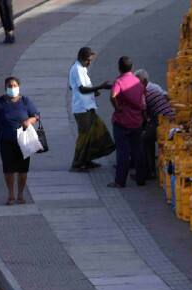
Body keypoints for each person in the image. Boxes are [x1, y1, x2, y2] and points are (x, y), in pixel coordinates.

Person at [0, 76, 39, 205]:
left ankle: (20, 195)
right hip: (6, 141)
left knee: (23, 170)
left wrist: (29, 121)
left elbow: (36, 115)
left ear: (18, 86)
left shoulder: (25, 101)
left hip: (24, 140)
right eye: (9, 86)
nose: (12, 88)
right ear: (5, 88)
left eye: (14, 86)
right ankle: (11, 195)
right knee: (8, 169)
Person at [68, 47, 115, 172]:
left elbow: (73, 87)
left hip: (88, 106)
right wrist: (100, 87)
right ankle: (77, 163)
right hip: (82, 109)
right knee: (84, 136)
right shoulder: (77, 69)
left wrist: (93, 92)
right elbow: (81, 89)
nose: (89, 63)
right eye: (88, 60)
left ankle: (87, 159)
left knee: (96, 132)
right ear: (81, 58)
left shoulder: (82, 69)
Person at [108, 56, 146, 189]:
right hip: (136, 121)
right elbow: (142, 103)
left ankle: (120, 181)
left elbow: (112, 96)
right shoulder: (138, 82)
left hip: (122, 122)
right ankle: (141, 178)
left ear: (119, 68)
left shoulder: (119, 82)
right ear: (132, 67)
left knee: (122, 152)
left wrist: (117, 107)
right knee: (138, 150)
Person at [134, 69, 175, 184]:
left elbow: (143, 111)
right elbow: (166, 95)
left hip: (163, 121)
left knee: (144, 139)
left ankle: (148, 171)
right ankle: (150, 167)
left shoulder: (144, 92)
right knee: (148, 137)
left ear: (145, 81)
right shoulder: (155, 86)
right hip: (170, 117)